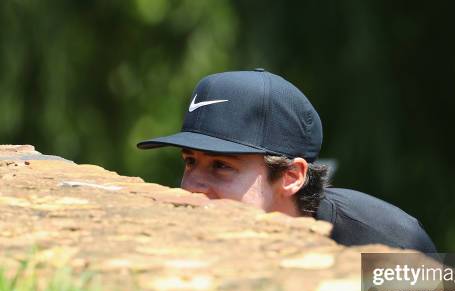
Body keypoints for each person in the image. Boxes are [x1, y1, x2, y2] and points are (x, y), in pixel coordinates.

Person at [137, 69, 436, 253]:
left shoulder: (388, 245)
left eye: (221, 166)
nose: (190, 187)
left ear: (291, 176)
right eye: (190, 161)